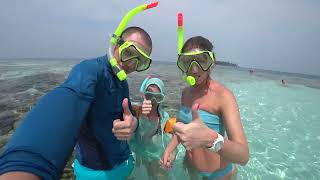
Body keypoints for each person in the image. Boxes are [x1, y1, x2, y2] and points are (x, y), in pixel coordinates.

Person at [0, 2, 159, 179]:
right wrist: (24, 165)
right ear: (116, 45)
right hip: (95, 173)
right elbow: (66, 101)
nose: (131, 65)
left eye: (140, 62)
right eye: (129, 53)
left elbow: (126, 114)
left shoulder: (122, 83)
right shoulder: (90, 70)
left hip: (124, 164)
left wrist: (134, 123)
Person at [160, 13, 249, 180]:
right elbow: (180, 126)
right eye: (188, 62)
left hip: (218, 175)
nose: (194, 69)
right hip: (191, 169)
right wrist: (170, 149)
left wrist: (211, 138)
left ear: (211, 62)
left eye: (202, 60)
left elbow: (243, 156)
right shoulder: (186, 93)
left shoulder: (223, 96)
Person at [129, 77, 172, 180]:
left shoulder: (164, 117)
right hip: (140, 154)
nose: (152, 100)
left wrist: (171, 156)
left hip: (156, 155)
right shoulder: (136, 113)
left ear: (161, 99)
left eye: (157, 97)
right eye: (149, 95)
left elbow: (169, 140)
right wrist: (143, 117)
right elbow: (138, 138)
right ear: (144, 96)